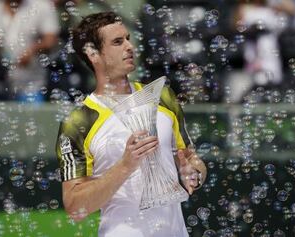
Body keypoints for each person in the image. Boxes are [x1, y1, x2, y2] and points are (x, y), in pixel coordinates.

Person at [55, 12, 206, 237]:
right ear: (93, 54)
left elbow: (191, 160)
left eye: (127, 38)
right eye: (118, 42)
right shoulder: (77, 122)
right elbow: (75, 207)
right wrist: (125, 165)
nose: (129, 46)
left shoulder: (163, 96)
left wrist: (193, 173)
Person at [0, 0, 59, 102]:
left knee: (33, 116)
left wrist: (32, 50)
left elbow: (51, 40)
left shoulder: (42, 6)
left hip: (33, 85)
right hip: (1, 85)